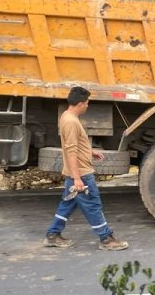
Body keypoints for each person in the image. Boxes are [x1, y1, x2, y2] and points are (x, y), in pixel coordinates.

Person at [45, 86, 128, 251]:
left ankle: (53, 235)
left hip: (76, 172)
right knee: (92, 204)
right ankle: (106, 238)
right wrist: (77, 178)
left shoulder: (67, 117)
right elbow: (70, 150)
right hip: (81, 173)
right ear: (80, 104)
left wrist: (90, 151)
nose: (88, 106)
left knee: (67, 204)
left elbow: (76, 145)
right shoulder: (71, 122)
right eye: (87, 103)